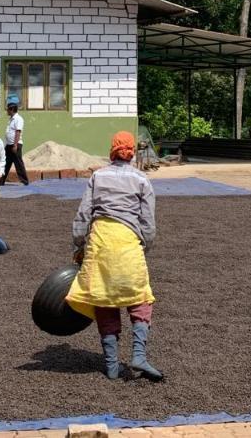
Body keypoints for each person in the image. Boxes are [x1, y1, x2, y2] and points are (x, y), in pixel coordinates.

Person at [66, 131, 161, 382]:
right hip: (128, 242)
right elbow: (148, 223)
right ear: (132, 152)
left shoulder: (98, 176)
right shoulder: (141, 179)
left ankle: (111, 365)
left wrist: (78, 244)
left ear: (112, 150)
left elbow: (83, 214)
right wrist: (144, 248)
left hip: (101, 241)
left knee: (104, 299)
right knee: (140, 297)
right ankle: (138, 355)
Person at [0, 95, 29, 186]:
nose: (7, 111)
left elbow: (18, 132)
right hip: (9, 145)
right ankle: (1, 181)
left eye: (8, 109)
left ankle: (24, 181)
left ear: (11, 109)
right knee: (5, 163)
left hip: (15, 145)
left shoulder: (18, 119)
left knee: (18, 163)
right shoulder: (11, 119)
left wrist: (15, 145)